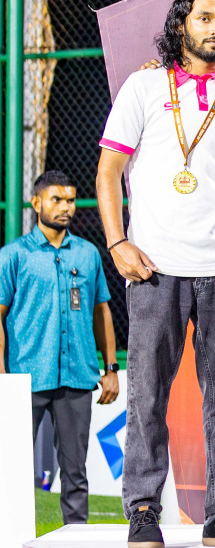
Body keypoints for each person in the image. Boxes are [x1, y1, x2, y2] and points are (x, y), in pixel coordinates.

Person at [97, 0, 215, 548]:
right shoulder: (144, 86)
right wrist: (117, 242)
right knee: (147, 394)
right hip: (154, 267)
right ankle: (143, 510)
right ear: (181, 25)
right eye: (205, 18)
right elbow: (108, 172)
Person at [0, 171, 118, 525]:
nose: (66, 207)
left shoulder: (87, 253)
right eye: (57, 199)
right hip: (25, 377)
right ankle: (11, 544)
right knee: (12, 468)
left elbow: (101, 310)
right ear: (36, 203)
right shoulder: (13, 255)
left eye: (70, 200)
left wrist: (111, 369)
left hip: (77, 377)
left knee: (75, 472)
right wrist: (3, 374)